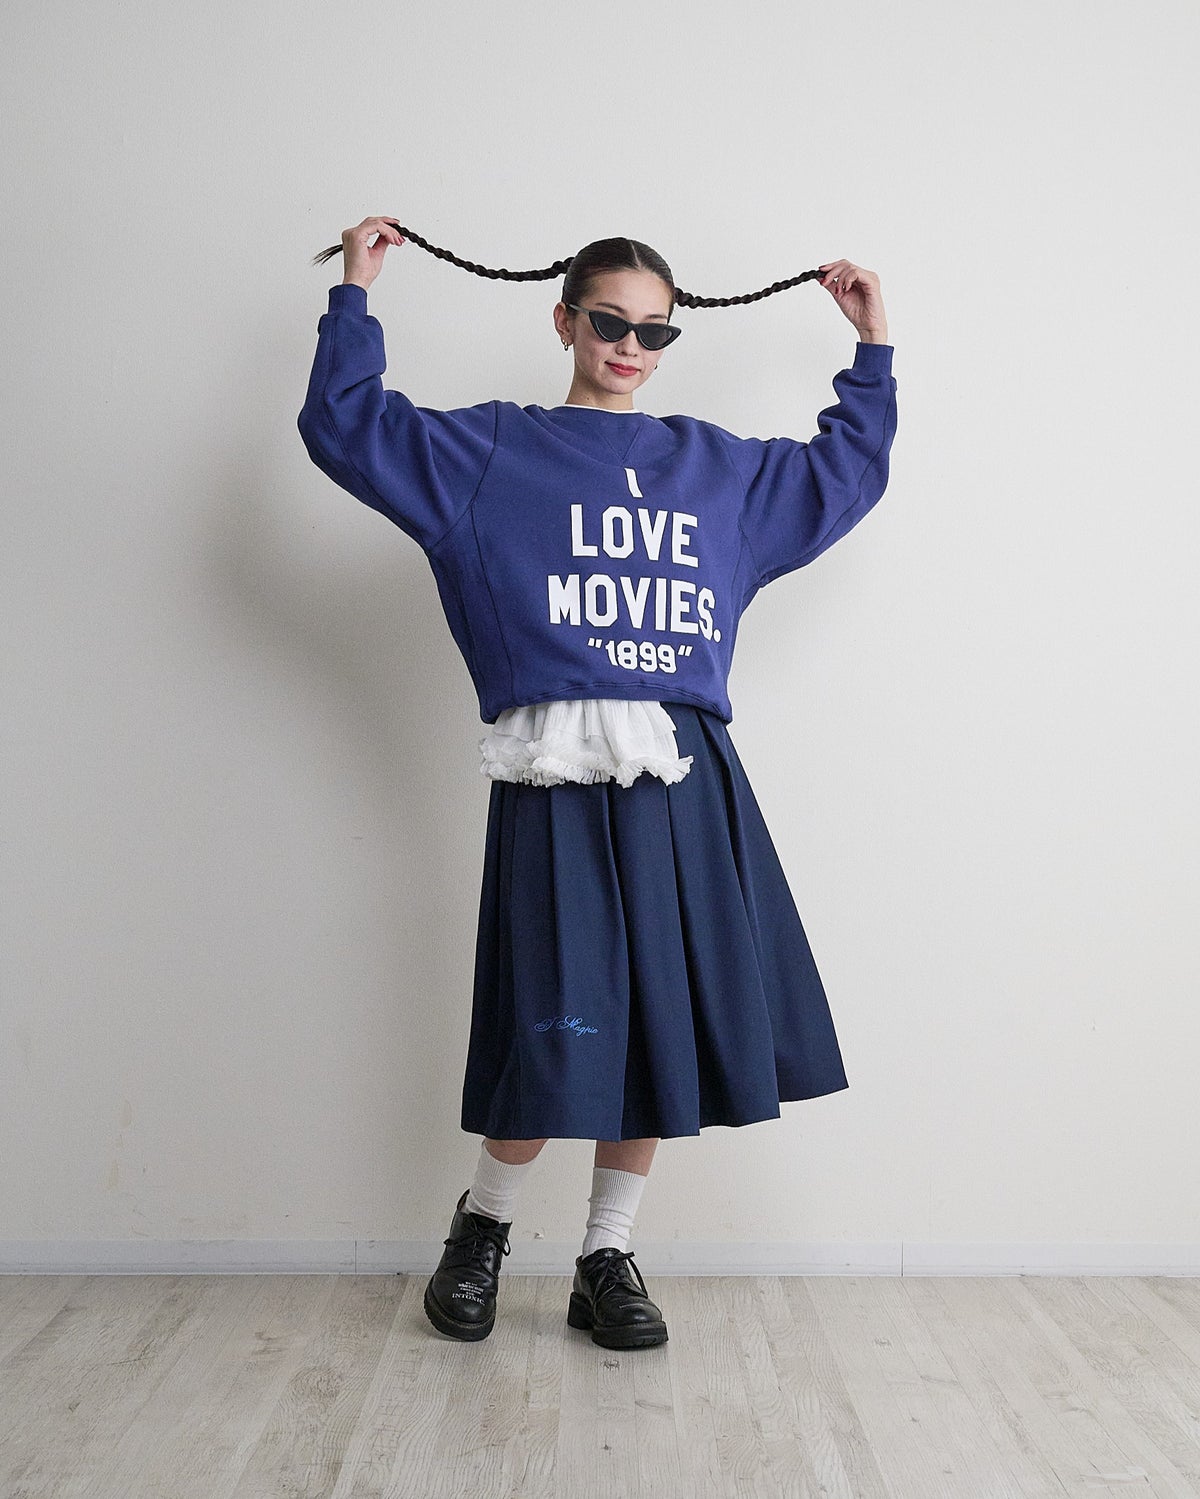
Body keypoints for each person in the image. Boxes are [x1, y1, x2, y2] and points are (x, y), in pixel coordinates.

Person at [298, 217, 897, 1351]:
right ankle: (483, 1226)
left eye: (654, 330)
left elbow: (842, 473)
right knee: (556, 1014)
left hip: (680, 768)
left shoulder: (714, 469)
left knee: (658, 1020)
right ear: (566, 319)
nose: (630, 345)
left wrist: (870, 347)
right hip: (555, 770)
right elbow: (347, 425)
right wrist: (356, 297)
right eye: (610, 322)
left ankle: (606, 1253)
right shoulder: (496, 451)